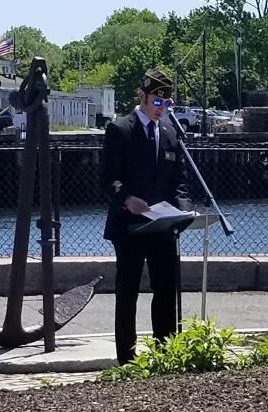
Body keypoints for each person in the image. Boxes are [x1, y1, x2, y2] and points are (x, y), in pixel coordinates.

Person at [102, 68, 193, 365]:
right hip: (129, 227)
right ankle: (126, 360)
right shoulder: (120, 129)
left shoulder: (170, 133)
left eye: (166, 104)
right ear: (142, 96)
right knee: (127, 293)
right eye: (156, 102)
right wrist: (127, 199)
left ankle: (165, 355)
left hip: (162, 227)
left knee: (166, 291)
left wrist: (182, 209)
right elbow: (108, 178)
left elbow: (179, 181)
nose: (161, 109)